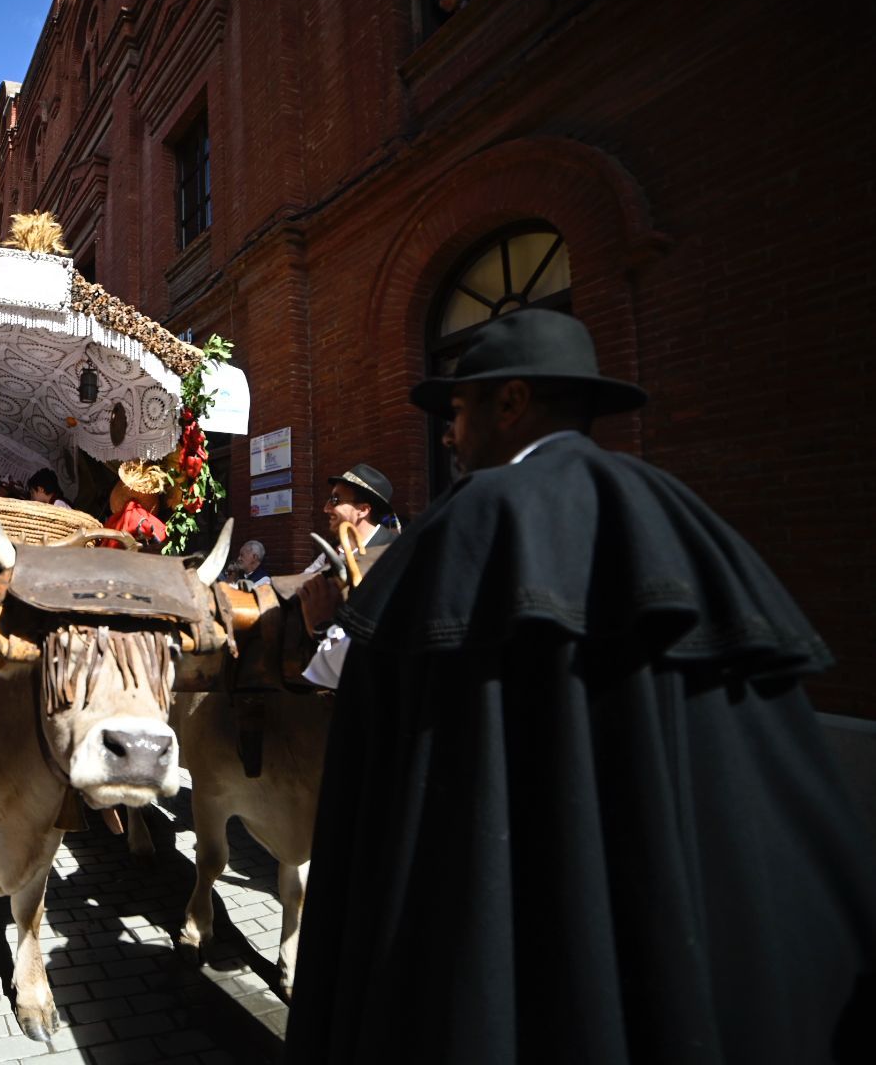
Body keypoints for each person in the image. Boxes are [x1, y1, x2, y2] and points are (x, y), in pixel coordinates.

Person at [284, 308, 876, 1064]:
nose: (447, 434)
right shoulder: (680, 515)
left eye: (460, 410)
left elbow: (366, 701)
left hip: (499, 938)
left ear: (512, 403)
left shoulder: (476, 521)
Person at [296, 463, 400, 688]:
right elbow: (301, 583)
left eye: (335, 500)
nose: (325, 508)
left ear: (363, 510)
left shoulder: (393, 555)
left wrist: (322, 626)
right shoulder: (332, 551)